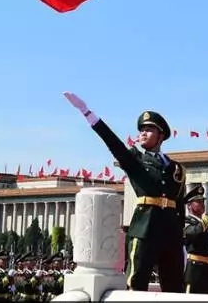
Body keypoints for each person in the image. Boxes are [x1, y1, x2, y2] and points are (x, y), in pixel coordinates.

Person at [63, 92, 187, 292]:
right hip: (145, 229)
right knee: (136, 282)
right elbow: (112, 142)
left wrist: (181, 239)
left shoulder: (176, 169)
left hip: (171, 233)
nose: (143, 133)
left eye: (149, 129)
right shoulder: (136, 160)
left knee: (174, 288)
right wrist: (87, 113)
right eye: (142, 130)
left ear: (161, 135)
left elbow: (180, 205)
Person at [182, 185, 208, 294]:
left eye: (203, 201)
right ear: (189, 205)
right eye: (198, 202)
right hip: (194, 272)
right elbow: (193, 233)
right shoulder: (185, 221)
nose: (202, 204)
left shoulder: (205, 225)